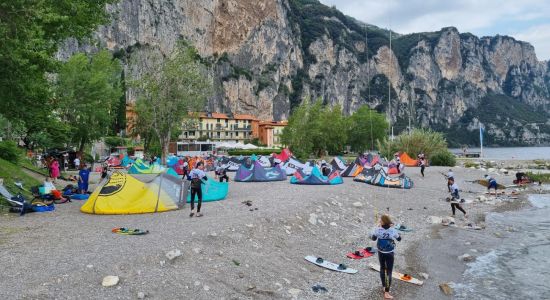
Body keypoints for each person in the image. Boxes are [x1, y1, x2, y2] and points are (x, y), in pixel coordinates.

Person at [371, 214, 401, 299]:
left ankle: (384, 287)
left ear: (383, 222)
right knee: (389, 272)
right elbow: (399, 239)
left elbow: (373, 238)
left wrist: (377, 228)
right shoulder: (392, 230)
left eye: (381, 221)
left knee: (382, 268)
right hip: (389, 253)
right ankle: (386, 292)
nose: (380, 221)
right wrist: (392, 230)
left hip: (381, 252)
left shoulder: (378, 230)